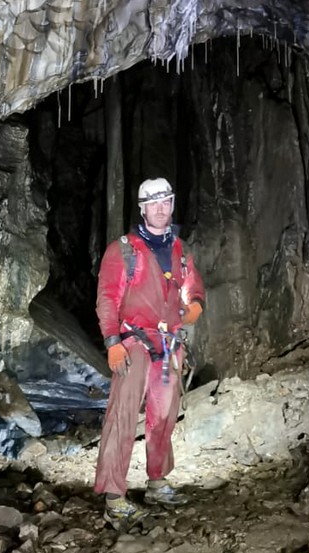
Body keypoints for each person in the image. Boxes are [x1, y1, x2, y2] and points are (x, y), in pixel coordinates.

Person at [93, 177, 206, 530]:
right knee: (122, 418)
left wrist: (195, 306)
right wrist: (112, 343)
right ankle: (115, 497)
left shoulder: (180, 250)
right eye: (153, 203)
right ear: (142, 208)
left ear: (172, 205)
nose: (161, 208)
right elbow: (107, 299)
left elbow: (192, 286)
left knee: (164, 418)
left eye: (166, 202)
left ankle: (157, 482)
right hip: (133, 343)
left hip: (169, 344)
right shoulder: (123, 250)